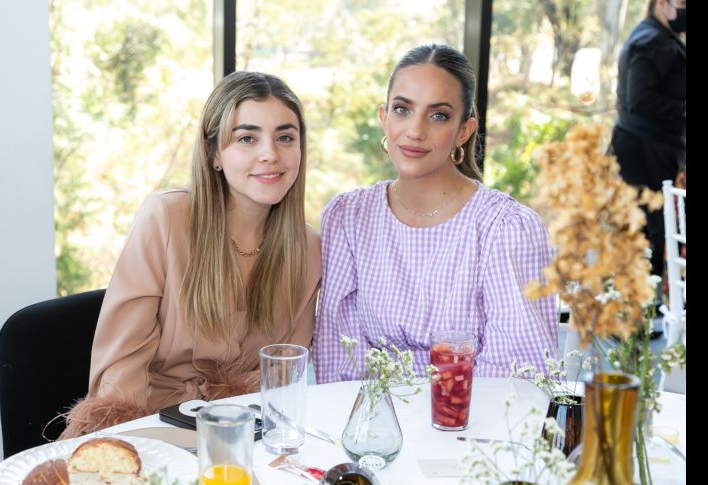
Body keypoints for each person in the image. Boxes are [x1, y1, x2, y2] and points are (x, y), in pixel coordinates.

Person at [61, 71, 321, 437]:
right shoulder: (165, 218)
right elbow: (123, 368)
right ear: (214, 153)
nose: (270, 154)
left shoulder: (307, 248)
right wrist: (127, 446)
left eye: (285, 137)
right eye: (247, 138)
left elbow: (282, 379)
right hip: (152, 420)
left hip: (246, 430)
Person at [312, 44, 557, 383]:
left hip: (470, 428)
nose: (415, 130)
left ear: (464, 130)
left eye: (438, 115)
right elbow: (338, 359)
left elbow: (516, 379)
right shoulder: (347, 218)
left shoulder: (506, 228)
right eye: (402, 110)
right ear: (384, 118)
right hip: (368, 427)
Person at [611, 0, 686, 281]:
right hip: (645, 153)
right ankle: (646, 311)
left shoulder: (661, 38)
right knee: (651, 230)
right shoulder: (651, 42)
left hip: (655, 151)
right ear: (662, 4)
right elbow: (640, 99)